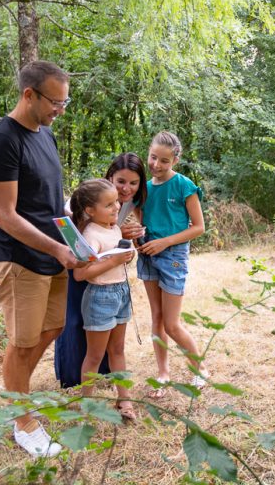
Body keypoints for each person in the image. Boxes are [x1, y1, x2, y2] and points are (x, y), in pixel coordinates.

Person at [0, 60, 80, 458]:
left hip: (55, 257)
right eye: (56, 101)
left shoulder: (46, 136)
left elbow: (51, 204)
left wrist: (78, 235)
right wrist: (55, 247)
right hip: (20, 259)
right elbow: (5, 213)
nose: (61, 109)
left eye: (65, 102)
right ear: (29, 94)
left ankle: (16, 395)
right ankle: (22, 422)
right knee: (22, 344)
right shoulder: (3, 140)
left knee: (51, 328)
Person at [54, 153, 147, 388]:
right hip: (85, 263)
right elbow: (76, 235)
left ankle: (106, 375)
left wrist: (125, 238)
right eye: (121, 181)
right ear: (110, 178)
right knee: (76, 321)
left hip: (111, 279)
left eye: (133, 183)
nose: (126, 189)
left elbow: (115, 233)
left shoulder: (126, 204)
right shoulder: (92, 197)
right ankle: (74, 377)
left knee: (110, 334)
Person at [137, 131, 207, 398]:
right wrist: (137, 237)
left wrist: (164, 243)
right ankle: (163, 373)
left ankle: (200, 370)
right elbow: (138, 219)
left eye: (164, 161)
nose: (156, 164)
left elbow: (199, 228)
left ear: (175, 160)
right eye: (153, 157)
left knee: (171, 324)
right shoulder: (144, 187)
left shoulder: (184, 185)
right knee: (156, 318)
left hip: (173, 256)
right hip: (147, 254)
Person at [70, 179, 137, 421]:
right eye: (108, 205)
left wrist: (126, 256)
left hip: (120, 293)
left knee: (118, 349)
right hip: (100, 297)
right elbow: (80, 274)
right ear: (90, 210)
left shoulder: (113, 228)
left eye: (116, 202)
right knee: (95, 356)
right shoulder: (90, 235)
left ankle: (124, 398)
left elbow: (117, 259)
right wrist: (113, 261)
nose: (116, 207)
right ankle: (87, 402)